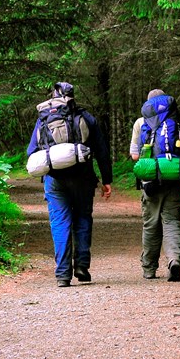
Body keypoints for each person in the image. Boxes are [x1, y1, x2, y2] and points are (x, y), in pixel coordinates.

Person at [27, 82, 112, 287]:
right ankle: (82, 266)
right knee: (82, 219)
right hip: (83, 178)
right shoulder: (86, 117)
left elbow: (31, 152)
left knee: (60, 223)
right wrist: (107, 180)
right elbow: (101, 151)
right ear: (73, 96)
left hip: (55, 181)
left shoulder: (44, 119)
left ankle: (63, 275)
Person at [130, 89, 180, 282]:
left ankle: (149, 269)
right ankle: (174, 260)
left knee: (151, 225)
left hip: (150, 182)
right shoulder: (176, 122)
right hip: (173, 179)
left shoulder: (141, 123)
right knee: (171, 222)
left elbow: (135, 155)